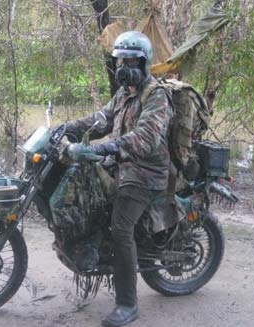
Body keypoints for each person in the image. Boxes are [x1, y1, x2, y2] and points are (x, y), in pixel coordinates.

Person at [65, 31, 177, 327]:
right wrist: (67, 129)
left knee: (120, 228)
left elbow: (146, 138)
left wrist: (105, 148)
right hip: (120, 163)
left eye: (129, 61)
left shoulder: (156, 95)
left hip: (146, 171)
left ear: (143, 63)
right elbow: (100, 120)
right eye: (119, 61)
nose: (122, 68)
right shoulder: (124, 93)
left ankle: (128, 304)